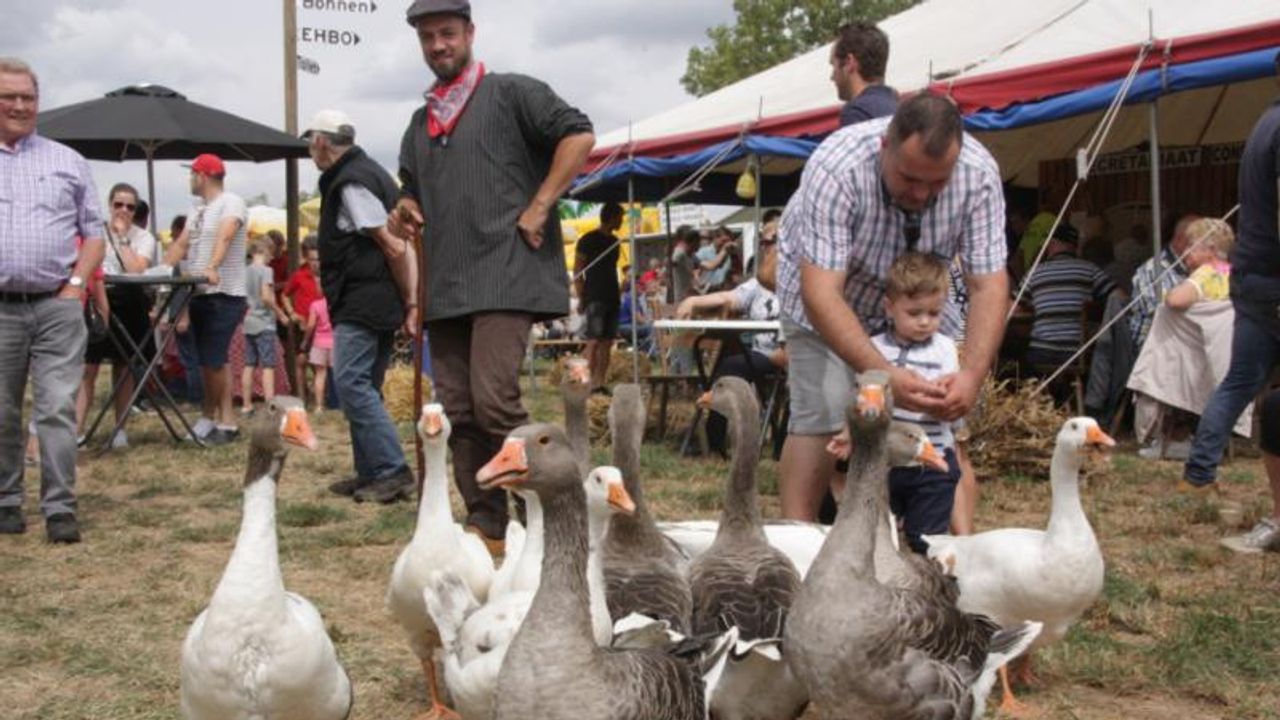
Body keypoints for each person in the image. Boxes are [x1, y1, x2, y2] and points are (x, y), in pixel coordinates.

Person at [389, 0, 594, 550]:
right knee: (456, 410)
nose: (438, 45)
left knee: (494, 400)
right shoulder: (418, 123)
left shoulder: (511, 93)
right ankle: (488, 524)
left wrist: (542, 203)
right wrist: (404, 207)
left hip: (506, 270)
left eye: (447, 33)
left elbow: (578, 136)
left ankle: (547, 518)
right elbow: (410, 187)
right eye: (428, 37)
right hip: (448, 281)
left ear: (470, 33)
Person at [775, 92, 1009, 522]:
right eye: (909, 177)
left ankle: (955, 565)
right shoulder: (837, 167)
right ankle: (798, 550)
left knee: (944, 430)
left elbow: (987, 285)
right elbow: (822, 292)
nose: (921, 193)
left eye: (937, 182)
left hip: (915, 305)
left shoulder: (979, 175)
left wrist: (972, 375)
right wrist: (882, 378)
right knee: (823, 416)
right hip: (827, 299)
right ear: (887, 146)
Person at [0, 57, 106, 544]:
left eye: (28, 97)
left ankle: (60, 507)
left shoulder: (67, 160)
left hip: (57, 305)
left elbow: (94, 233)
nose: (19, 105)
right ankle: (6, 501)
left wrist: (77, 285)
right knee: (2, 410)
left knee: (57, 408)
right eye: (9, 97)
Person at [303, 109, 419, 504]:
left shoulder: (350, 182)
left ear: (321, 142)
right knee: (364, 385)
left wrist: (412, 301)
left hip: (362, 300)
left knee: (351, 383)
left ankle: (391, 470)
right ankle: (370, 471)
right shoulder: (370, 173)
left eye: (310, 142)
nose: (310, 150)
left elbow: (391, 245)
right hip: (376, 297)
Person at [1181, 53, 1280, 503]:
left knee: (1240, 380)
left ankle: (1199, 472)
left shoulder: (1266, 122)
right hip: (1273, 276)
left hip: (1255, 274)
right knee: (1245, 382)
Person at [872, 253, 961, 553]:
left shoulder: (946, 349)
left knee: (927, 540)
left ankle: (929, 586)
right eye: (914, 313)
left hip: (933, 459)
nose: (925, 322)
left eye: (934, 313)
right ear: (890, 307)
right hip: (887, 462)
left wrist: (936, 397)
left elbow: (949, 392)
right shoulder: (874, 349)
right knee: (879, 535)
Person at [163, 152, 249, 446]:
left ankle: (212, 418)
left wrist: (212, 266)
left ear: (202, 175)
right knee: (211, 361)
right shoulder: (197, 207)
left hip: (224, 292)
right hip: (198, 290)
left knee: (212, 360)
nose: (189, 179)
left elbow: (225, 236)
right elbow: (183, 243)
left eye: (192, 174)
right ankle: (222, 420)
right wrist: (161, 270)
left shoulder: (231, 202)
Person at [678, 235, 786, 452]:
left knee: (732, 365)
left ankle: (714, 439)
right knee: (730, 364)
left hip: (793, 355)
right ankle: (713, 440)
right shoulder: (759, 284)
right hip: (763, 354)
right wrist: (693, 301)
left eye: (770, 241)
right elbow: (728, 298)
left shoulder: (804, 281)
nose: (764, 246)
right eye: (763, 241)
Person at [77, 182, 158, 449]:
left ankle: (120, 428)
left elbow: (137, 269)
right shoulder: (94, 232)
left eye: (130, 207)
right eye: (119, 205)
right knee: (88, 368)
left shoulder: (144, 237)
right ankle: (77, 430)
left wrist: (123, 239)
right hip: (98, 300)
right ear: (110, 205)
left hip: (129, 300)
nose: (124, 210)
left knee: (124, 367)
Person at [1020, 224, 1116, 372]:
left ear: (1050, 243)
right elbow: (1119, 296)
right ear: (1075, 246)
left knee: (1015, 354)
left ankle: (1034, 393)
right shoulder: (1090, 269)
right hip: (1076, 353)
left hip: (1042, 352)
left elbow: (1012, 306)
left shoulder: (1035, 273)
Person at [1129, 214, 1197, 350]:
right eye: (1202, 242)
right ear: (1180, 240)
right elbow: (1166, 316)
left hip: (1185, 342)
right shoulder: (1154, 270)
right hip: (1155, 349)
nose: (1208, 248)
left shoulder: (1198, 269)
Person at [574, 202, 623, 393]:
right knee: (593, 341)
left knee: (607, 342)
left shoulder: (615, 242)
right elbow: (578, 270)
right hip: (594, 296)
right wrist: (581, 297)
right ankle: (582, 383)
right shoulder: (587, 239)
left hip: (612, 296)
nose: (621, 221)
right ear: (611, 217)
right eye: (620, 217)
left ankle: (599, 384)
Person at [240, 237, 289, 414]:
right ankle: (270, 404)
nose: (272, 258)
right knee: (268, 365)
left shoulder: (245, 271)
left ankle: (246, 405)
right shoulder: (266, 271)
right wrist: (281, 313)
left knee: (249, 364)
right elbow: (267, 297)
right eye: (270, 253)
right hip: (264, 322)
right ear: (263, 251)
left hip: (249, 320)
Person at [831, 21, 898, 127]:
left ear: (849, 63)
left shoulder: (856, 113)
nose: (832, 77)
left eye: (833, 66)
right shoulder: (901, 110)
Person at [282, 235, 324, 405]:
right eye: (312, 259)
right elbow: (284, 295)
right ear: (307, 258)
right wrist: (291, 313)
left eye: (318, 259)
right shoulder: (300, 275)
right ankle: (301, 397)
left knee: (319, 364)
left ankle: (320, 396)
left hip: (321, 326)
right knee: (301, 361)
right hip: (302, 324)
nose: (316, 263)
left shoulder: (327, 276)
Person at [1164, 218, 1233, 311]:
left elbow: (1175, 300)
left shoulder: (1208, 273)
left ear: (1211, 249)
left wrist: (1167, 296)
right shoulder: (1234, 271)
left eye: (1191, 245)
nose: (1185, 252)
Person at [303, 295, 333, 416]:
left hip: (319, 342)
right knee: (337, 375)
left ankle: (319, 406)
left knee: (320, 374)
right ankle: (341, 403)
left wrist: (305, 340)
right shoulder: (337, 302)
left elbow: (310, 325)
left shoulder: (316, 304)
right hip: (336, 342)